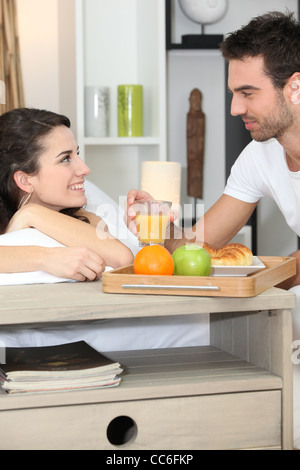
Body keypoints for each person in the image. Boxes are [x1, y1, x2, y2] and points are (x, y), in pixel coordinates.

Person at [125, 11, 300, 447]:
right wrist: (153, 233)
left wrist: (277, 276)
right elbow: (197, 246)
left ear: (295, 87)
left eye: (247, 93)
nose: (235, 108)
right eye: (233, 93)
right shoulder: (261, 155)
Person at [0, 107, 133, 281]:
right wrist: (45, 258)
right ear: (25, 181)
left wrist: (31, 213)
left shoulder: (86, 220)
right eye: (65, 159)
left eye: (76, 154)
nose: (85, 169)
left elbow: (122, 259)